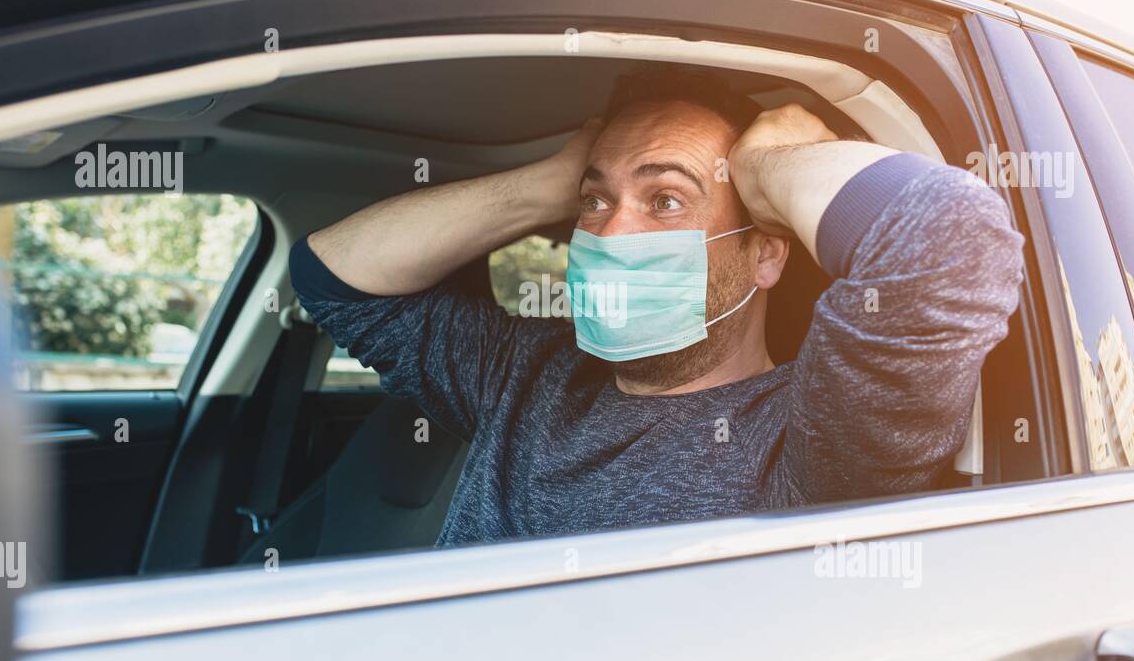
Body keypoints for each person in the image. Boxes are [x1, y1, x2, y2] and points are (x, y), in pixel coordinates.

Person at [291, 66, 1024, 546]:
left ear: (766, 253)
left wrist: (765, 165)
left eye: (666, 199)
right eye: (596, 202)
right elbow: (334, 279)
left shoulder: (813, 436)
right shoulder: (525, 372)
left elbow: (952, 239)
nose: (611, 233)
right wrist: (552, 184)